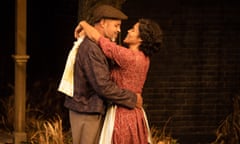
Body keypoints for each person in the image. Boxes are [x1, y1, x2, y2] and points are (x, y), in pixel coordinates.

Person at [62, 5, 143, 144]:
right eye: (116, 25)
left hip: (91, 110)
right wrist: (133, 98)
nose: (119, 30)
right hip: (86, 111)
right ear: (103, 23)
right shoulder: (91, 48)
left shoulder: (99, 46)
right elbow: (103, 86)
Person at [75, 18, 163, 144]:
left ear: (140, 39)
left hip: (122, 115)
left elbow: (99, 38)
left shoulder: (127, 56)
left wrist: (83, 24)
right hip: (136, 114)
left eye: (133, 30)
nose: (128, 30)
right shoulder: (144, 58)